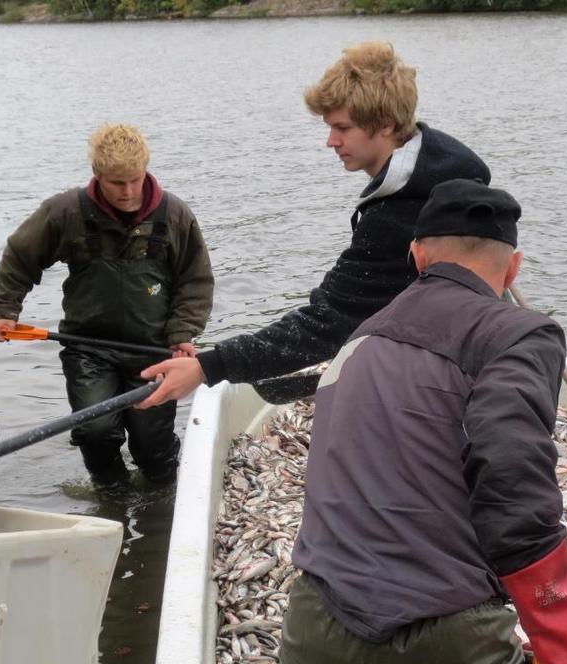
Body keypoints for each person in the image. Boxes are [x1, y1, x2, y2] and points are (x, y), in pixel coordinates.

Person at [267, 179, 567, 664]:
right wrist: (565, 633)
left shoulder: (361, 339)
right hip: (443, 644)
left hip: (316, 622)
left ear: (415, 257)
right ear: (512, 270)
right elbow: (511, 473)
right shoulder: (518, 333)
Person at [137, 41, 490, 409]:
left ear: (386, 124)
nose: (330, 141)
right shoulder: (443, 166)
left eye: (342, 128)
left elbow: (328, 323)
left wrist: (206, 368)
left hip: (444, 383)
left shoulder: (402, 212)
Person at [0, 123, 214, 486]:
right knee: (95, 432)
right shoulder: (65, 212)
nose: (128, 192)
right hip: (87, 349)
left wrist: (182, 334)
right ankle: (111, 498)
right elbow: (20, 256)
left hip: (152, 349)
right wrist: (7, 310)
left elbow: (195, 279)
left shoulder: (175, 215)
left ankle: (161, 511)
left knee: (152, 448)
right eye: (116, 183)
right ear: (97, 175)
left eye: (134, 180)